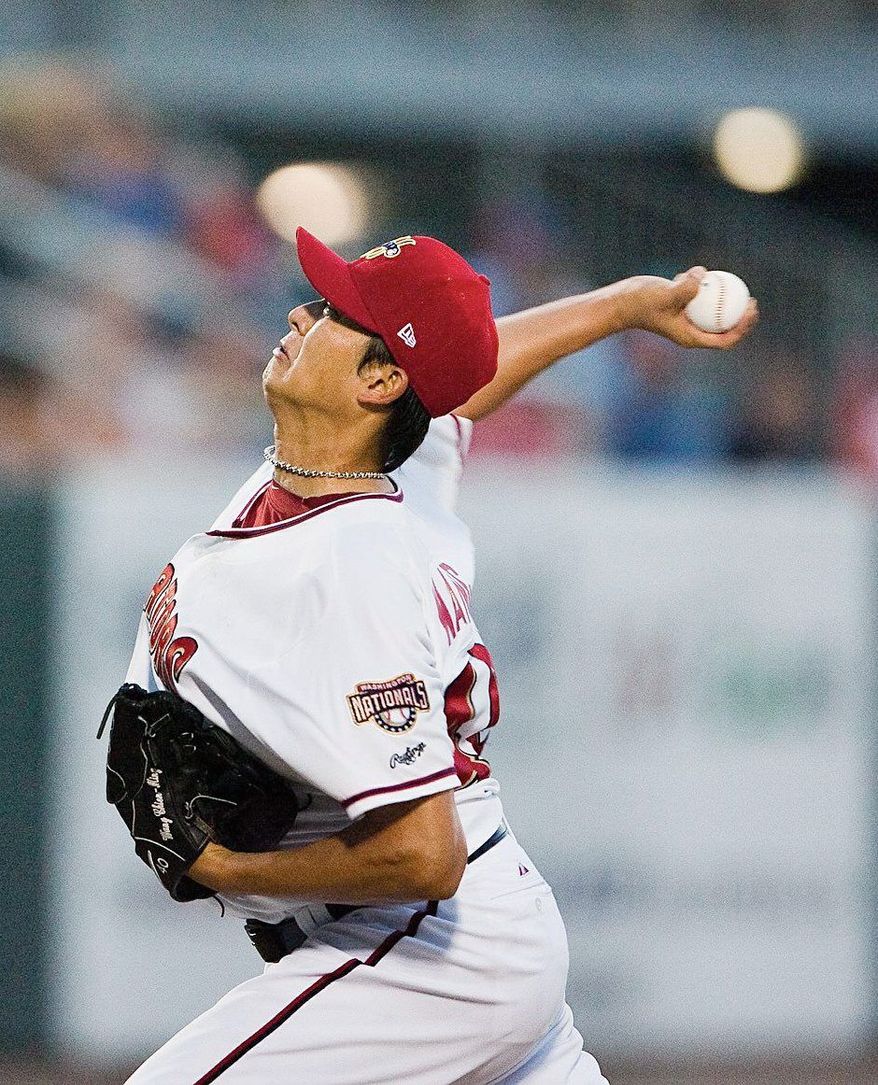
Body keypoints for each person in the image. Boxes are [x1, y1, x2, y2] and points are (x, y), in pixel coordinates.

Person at [121, 228, 757, 1084]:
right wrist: (626, 305)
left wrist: (235, 870)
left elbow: (426, 852)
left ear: (379, 381)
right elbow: (459, 383)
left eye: (333, 311)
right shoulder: (384, 456)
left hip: (433, 951)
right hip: (469, 937)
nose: (298, 310)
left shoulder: (351, 568)